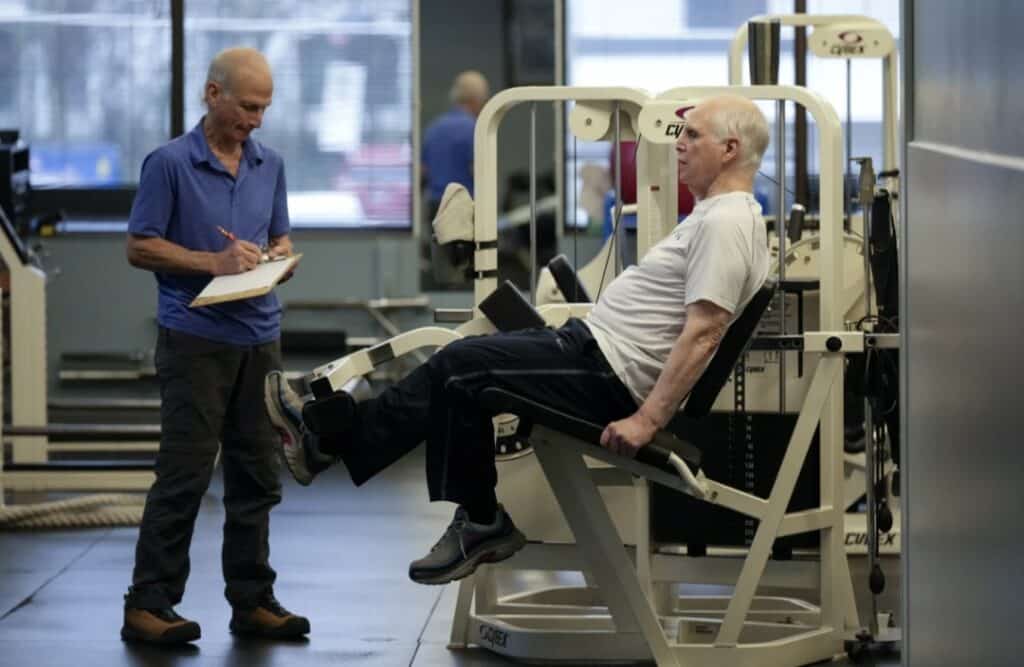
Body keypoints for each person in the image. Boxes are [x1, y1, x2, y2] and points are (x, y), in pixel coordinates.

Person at [265, 94, 770, 587]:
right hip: (591, 350)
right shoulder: (715, 215)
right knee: (459, 370)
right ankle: (364, 460)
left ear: (729, 149)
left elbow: (705, 330)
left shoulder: (726, 221)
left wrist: (647, 419)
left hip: (607, 374)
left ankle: (348, 452)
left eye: (693, 134)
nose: (678, 144)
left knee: (461, 366)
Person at [121, 47, 308, 645]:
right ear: (212, 95)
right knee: (185, 474)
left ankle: (252, 601)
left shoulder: (269, 164)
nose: (255, 120)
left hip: (260, 338)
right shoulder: (169, 164)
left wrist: (280, 258)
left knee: (258, 476)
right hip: (195, 340)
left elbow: (279, 236)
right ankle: (148, 603)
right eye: (247, 107)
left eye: (263, 109)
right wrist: (213, 262)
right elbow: (140, 247)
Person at [421, 70, 490, 221]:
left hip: (436, 208)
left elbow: (423, 171)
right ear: (477, 100)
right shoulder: (475, 129)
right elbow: (478, 172)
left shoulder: (434, 128)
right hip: (463, 210)